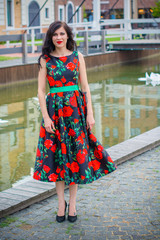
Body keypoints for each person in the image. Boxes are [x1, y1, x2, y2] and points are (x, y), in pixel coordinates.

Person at [33, 21, 117, 223]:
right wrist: (45, 117)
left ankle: (73, 203)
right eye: (55, 34)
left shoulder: (78, 57)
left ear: (68, 36)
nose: (58, 37)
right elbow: (41, 91)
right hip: (54, 113)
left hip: (76, 113)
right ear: (51, 37)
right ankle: (61, 204)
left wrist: (90, 114)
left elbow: (85, 87)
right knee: (59, 158)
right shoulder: (46, 60)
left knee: (76, 158)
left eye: (62, 33)